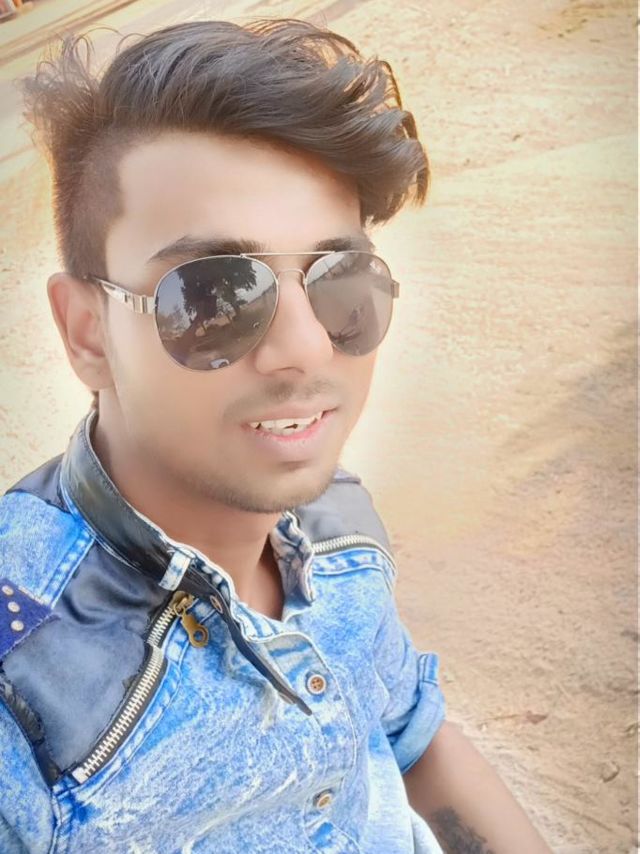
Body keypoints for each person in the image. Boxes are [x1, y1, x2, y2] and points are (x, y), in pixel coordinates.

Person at [0, 19, 551, 853]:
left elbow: (411, 734)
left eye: (341, 281)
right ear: (87, 332)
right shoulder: (25, 693)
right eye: (213, 295)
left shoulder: (337, 526)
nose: (306, 348)